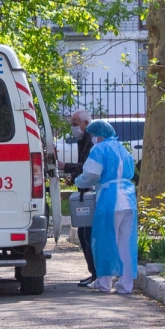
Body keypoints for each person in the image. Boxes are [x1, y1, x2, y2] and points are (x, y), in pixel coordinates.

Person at [74, 119, 138, 294]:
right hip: (129, 198)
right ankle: (126, 285)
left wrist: (79, 180)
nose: (93, 139)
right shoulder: (123, 149)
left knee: (105, 241)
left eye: (94, 136)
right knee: (126, 243)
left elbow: (92, 174)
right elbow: (130, 172)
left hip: (110, 199)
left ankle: (104, 283)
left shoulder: (99, 149)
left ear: (98, 136)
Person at [61, 109, 97, 286]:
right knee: (84, 234)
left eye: (75, 124)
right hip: (85, 188)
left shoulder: (91, 140)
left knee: (87, 234)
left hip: (91, 192)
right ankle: (93, 273)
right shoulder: (83, 139)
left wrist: (66, 166)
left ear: (85, 123)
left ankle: (96, 273)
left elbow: (87, 166)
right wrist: (74, 177)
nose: (73, 128)